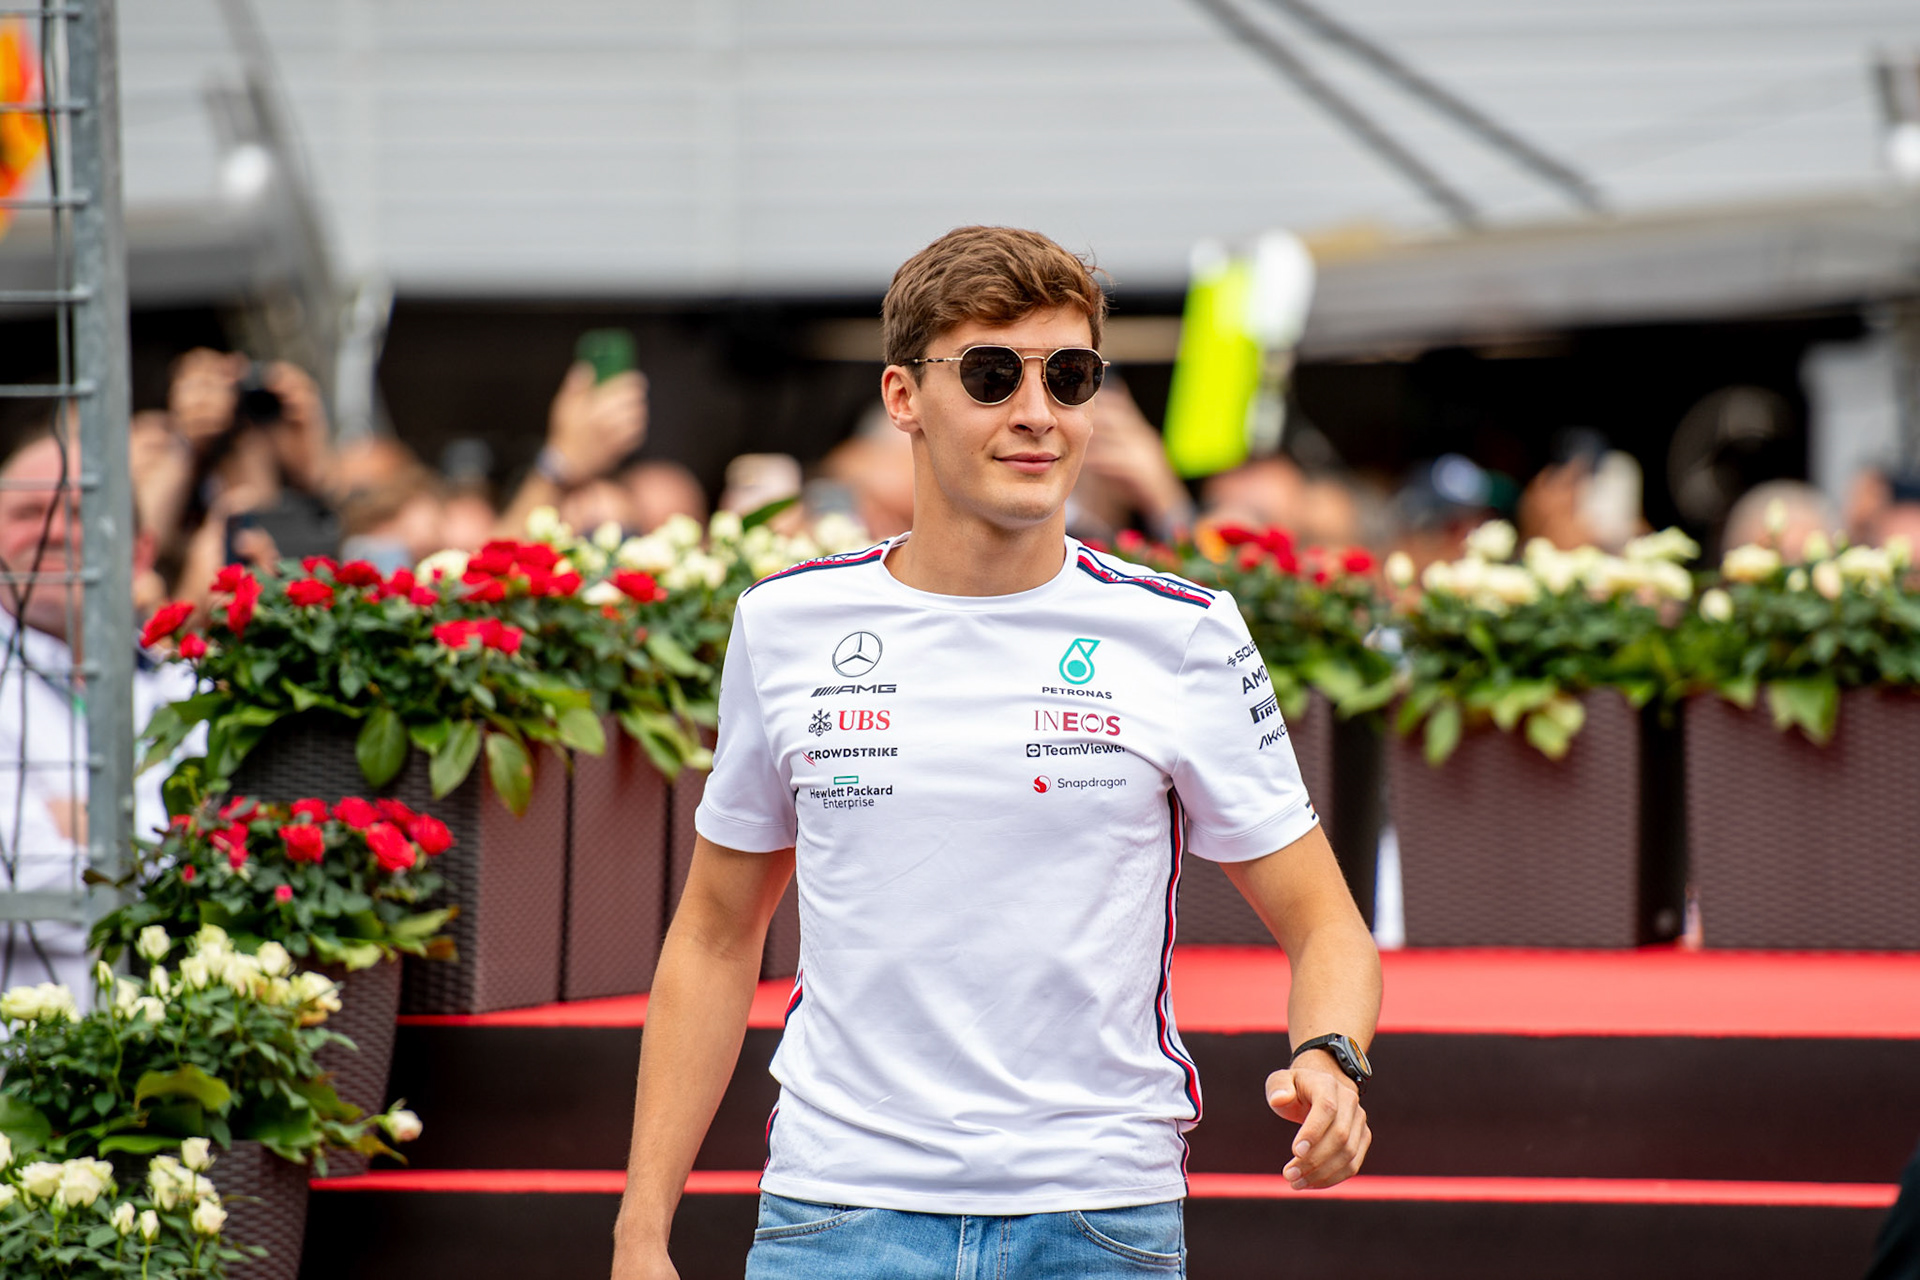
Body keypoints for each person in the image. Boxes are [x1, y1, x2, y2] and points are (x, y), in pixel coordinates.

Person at [611, 226, 1381, 1279]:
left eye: (1071, 378)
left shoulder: (1185, 632)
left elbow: (1326, 923)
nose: (1037, 412)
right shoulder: (785, 622)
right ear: (902, 398)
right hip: (838, 1209)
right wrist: (640, 1228)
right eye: (989, 374)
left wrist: (1329, 1055)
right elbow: (711, 935)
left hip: (1099, 1217)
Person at [0, 427, 195, 995]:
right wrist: (173, 840)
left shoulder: (189, 685)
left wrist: (87, 823)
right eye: (29, 511)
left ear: (140, 552)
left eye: (79, 512)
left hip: (186, 1058)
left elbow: (246, 862)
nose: (54, 532)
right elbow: (24, 884)